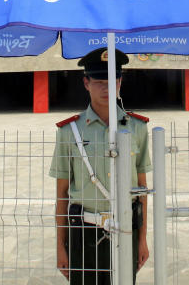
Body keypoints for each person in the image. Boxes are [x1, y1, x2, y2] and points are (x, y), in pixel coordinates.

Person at [49, 47, 151, 284]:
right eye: (99, 81)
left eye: (113, 80)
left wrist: (143, 239)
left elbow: (143, 190)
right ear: (86, 83)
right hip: (83, 231)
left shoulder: (137, 128)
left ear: (120, 81)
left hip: (127, 228)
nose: (107, 87)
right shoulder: (69, 131)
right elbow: (62, 194)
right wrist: (60, 247)